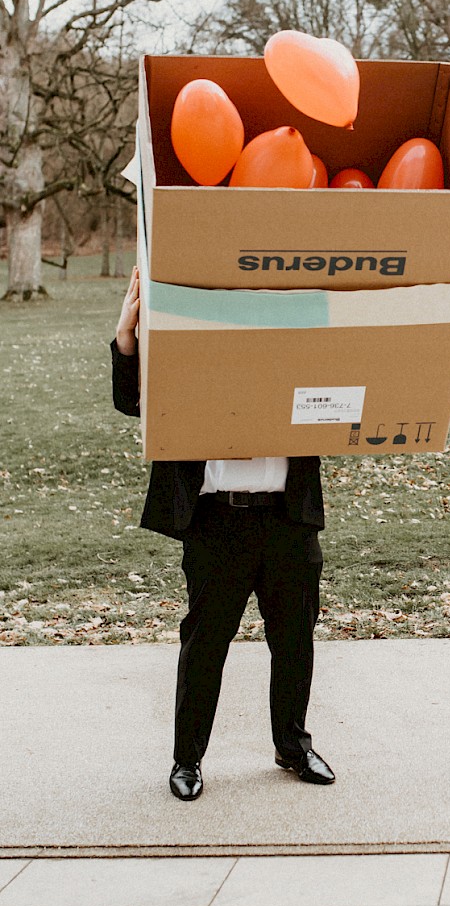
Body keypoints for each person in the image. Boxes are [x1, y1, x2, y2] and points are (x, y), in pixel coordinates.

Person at [112, 265, 335, 801]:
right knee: (206, 644)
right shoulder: (190, 338)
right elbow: (132, 402)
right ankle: (187, 759)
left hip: (287, 518)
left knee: (294, 641)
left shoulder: (295, 336)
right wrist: (126, 338)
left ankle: (293, 745)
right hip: (216, 523)